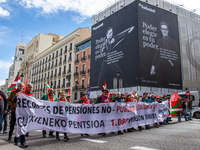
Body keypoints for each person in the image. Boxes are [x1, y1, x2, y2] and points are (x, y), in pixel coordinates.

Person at [150, 21, 181, 88]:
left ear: (168, 30)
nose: (164, 31)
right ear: (161, 30)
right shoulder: (159, 41)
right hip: (160, 68)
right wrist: (153, 65)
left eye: (165, 29)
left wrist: (171, 62)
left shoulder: (173, 42)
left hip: (170, 67)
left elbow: (177, 56)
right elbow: (156, 54)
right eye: (163, 29)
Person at [11, 83, 34, 148]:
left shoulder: (32, 96)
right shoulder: (20, 94)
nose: (30, 88)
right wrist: (16, 96)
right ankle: (18, 141)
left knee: (23, 128)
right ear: (26, 87)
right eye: (29, 87)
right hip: (20, 114)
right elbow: (12, 101)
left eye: (31, 87)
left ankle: (21, 142)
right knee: (20, 127)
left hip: (27, 115)